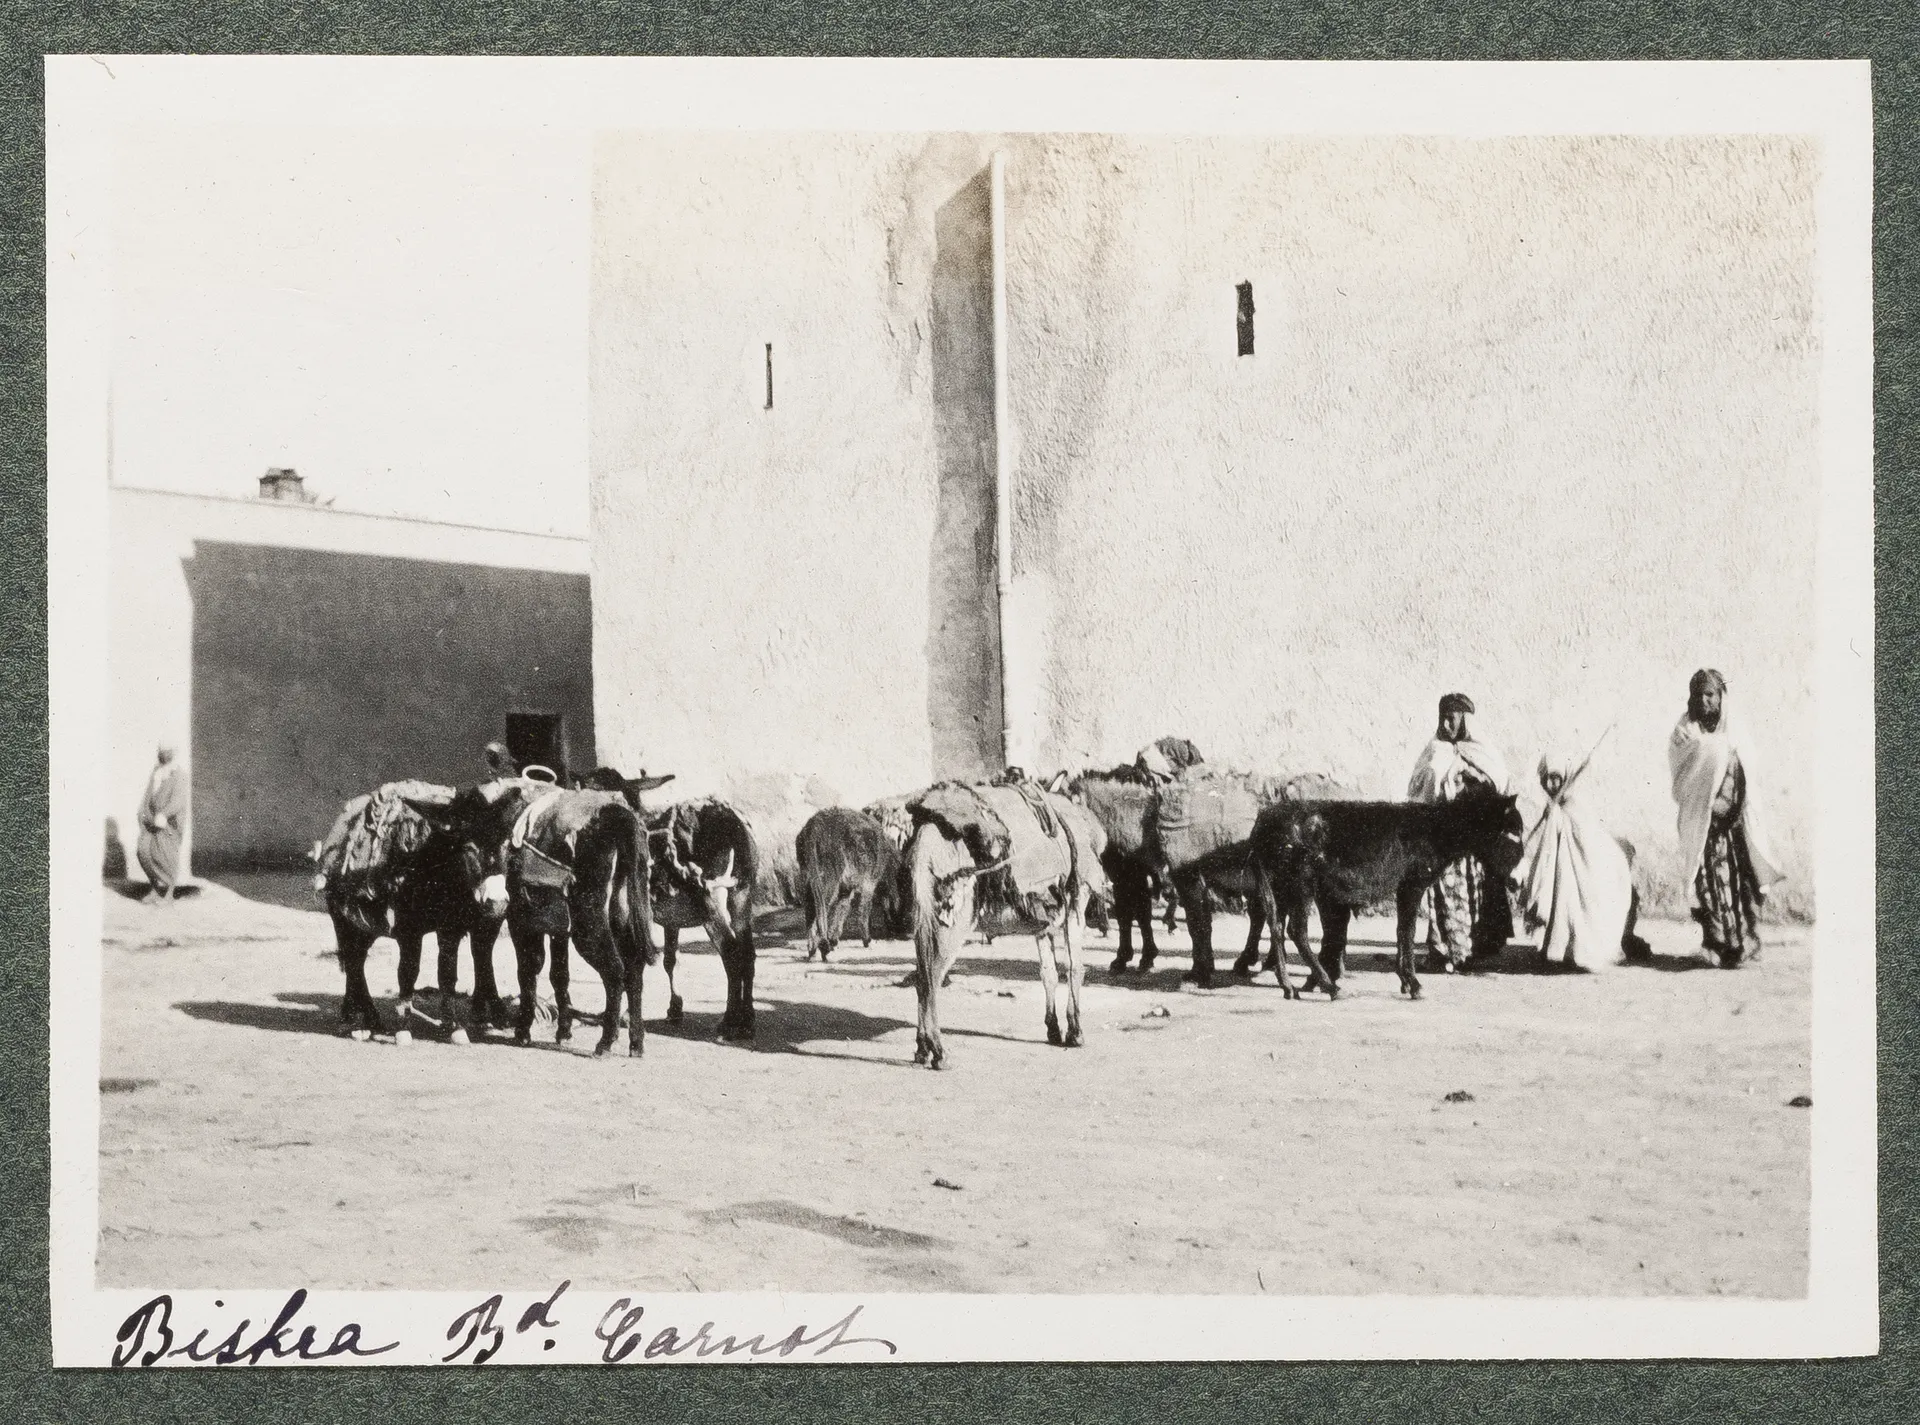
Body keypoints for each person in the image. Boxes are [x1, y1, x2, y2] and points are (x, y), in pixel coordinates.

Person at [1669, 669, 1782, 967]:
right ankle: (1718, 943)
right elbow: (1682, 775)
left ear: (1721, 697)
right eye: (1699, 695)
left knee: (1739, 884)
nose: (1705, 701)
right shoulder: (1686, 731)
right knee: (1710, 884)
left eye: (1711, 694)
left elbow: (1747, 772)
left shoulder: (1735, 731)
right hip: (1704, 825)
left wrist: (1730, 807)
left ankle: (1744, 943)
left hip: (1733, 825)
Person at [1407, 693, 1513, 970]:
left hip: (1471, 839)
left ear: (1464, 720)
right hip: (1441, 837)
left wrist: (1473, 779)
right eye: (1442, 717)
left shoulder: (1481, 749)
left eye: (1451, 718)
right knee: (1441, 894)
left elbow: (1499, 783)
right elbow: (1418, 788)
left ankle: (1468, 952)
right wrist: (1441, 778)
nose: (1446, 723)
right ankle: (1441, 951)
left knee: (1472, 892)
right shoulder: (1434, 749)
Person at [1515, 749, 1635, 972]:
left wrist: (1557, 817)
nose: (1552, 784)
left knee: (1573, 912)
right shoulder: (1553, 807)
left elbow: (1586, 837)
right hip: (1559, 872)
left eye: (1556, 778)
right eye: (1547, 779)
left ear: (1566, 778)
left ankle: (1574, 953)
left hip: (1576, 872)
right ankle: (1556, 951)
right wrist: (1552, 816)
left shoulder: (1574, 804)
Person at [135, 742, 188, 904]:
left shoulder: (179, 774)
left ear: (173, 752)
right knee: (143, 851)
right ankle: (155, 889)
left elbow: (178, 801)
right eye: (161, 751)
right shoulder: (156, 771)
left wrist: (164, 814)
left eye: (167, 751)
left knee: (165, 855)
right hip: (151, 819)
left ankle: (169, 893)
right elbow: (148, 793)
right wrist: (142, 811)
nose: (163, 754)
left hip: (168, 823)